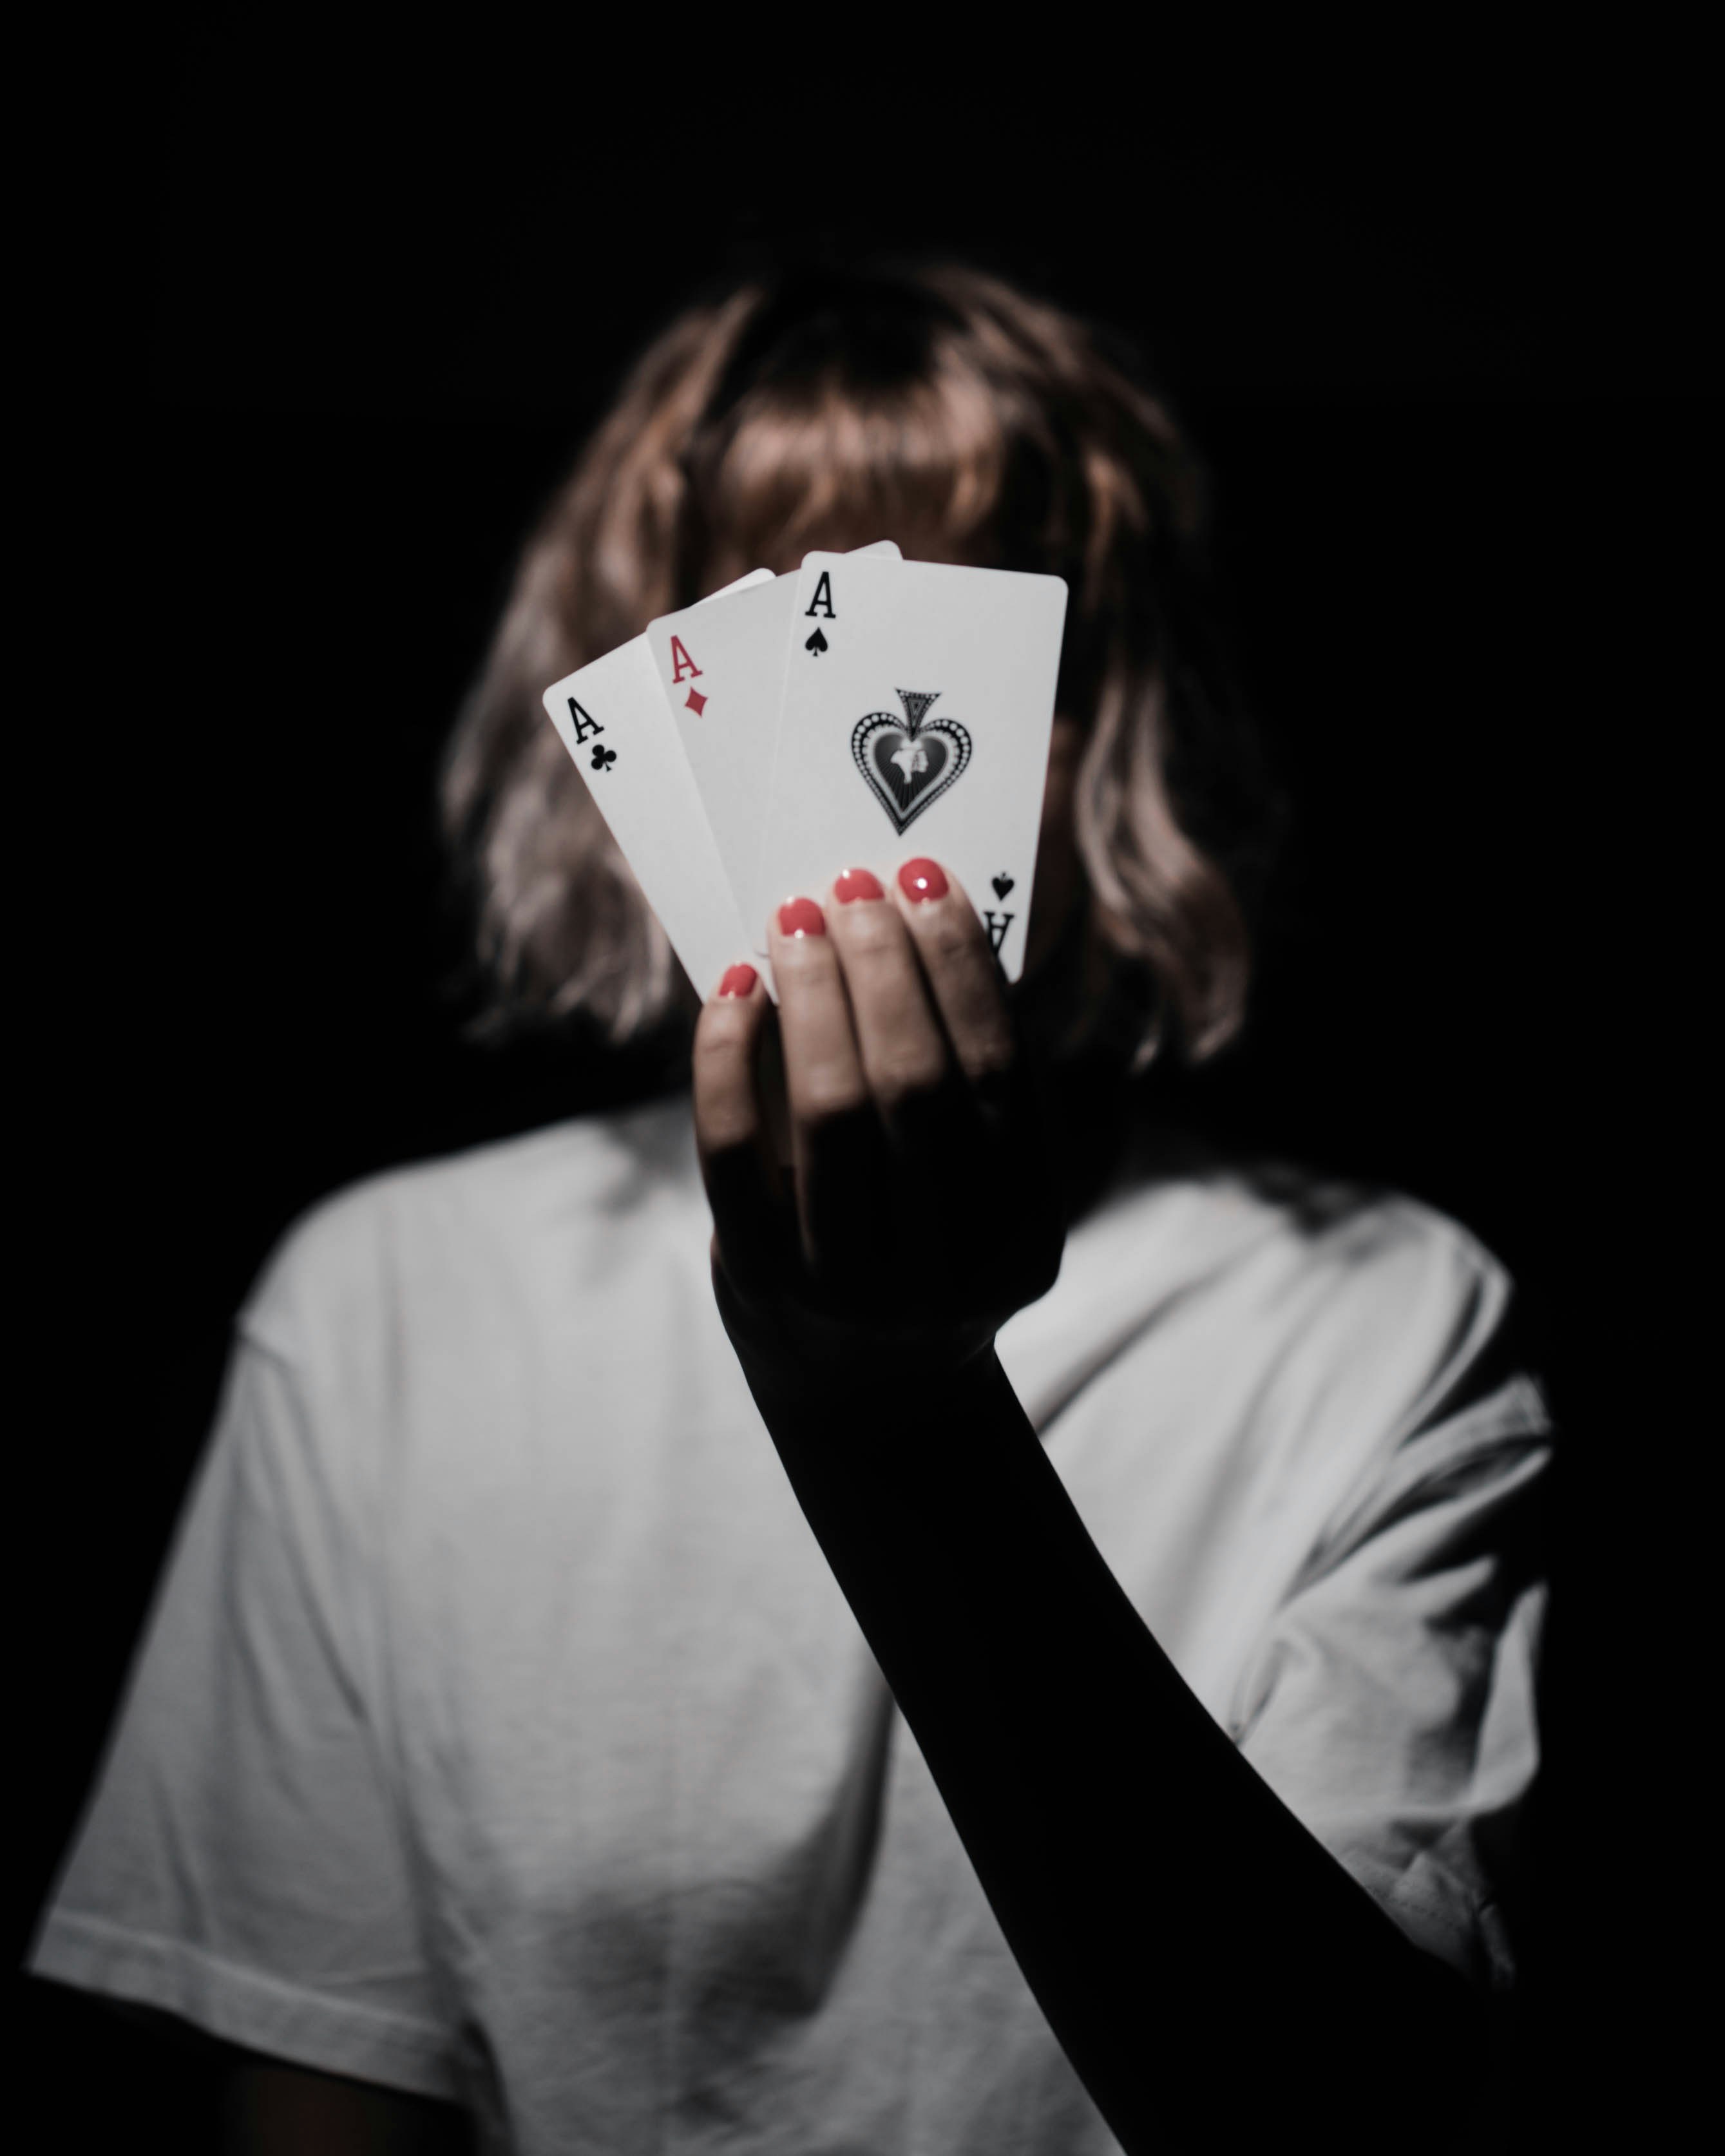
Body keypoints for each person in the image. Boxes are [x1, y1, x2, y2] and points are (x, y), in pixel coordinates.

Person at [28, 263, 1550, 2155]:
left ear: (1109, 715)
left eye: (969, 636)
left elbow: (1351, 2120)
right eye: (781, 641)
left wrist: (897, 1401)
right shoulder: (383, 1304)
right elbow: (323, 2086)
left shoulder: (1388, 1313)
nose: (876, 749)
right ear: (641, 713)